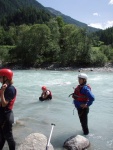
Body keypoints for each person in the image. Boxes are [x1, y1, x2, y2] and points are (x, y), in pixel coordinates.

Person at [0, 68, 17, 150]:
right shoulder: (5, 87)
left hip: (6, 115)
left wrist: (2, 92)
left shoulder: (10, 89)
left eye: (0, 77)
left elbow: (4, 104)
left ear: (6, 78)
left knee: (8, 137)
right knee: (1, 136)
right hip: (2, 114)